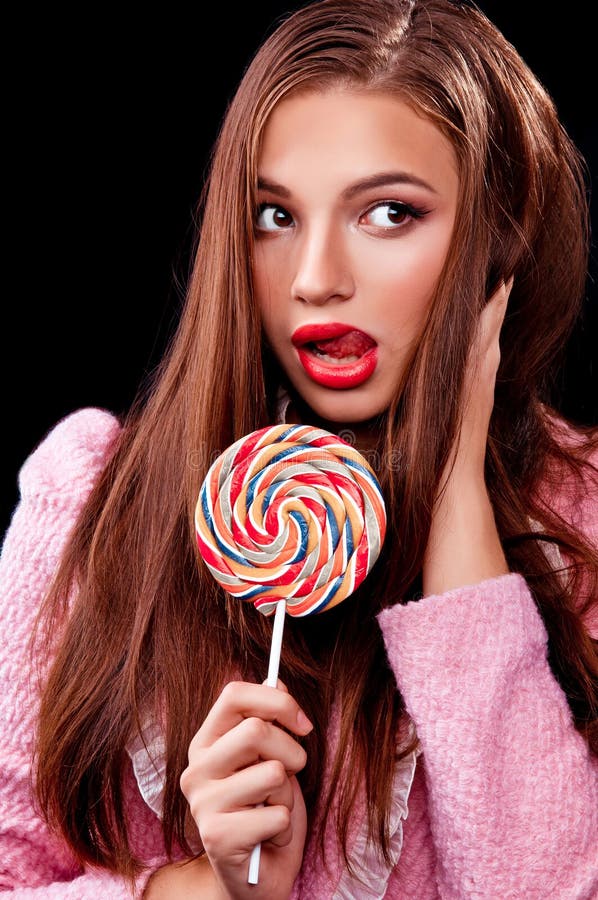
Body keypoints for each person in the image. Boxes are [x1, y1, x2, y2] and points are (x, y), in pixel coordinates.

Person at [1, 0, 597, 897]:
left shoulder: (584, 516)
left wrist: (461, 525)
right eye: (274, 216)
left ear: (497, 239)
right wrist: (209, 889)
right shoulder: (95, 498)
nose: (316, 277)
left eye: (389, 212)